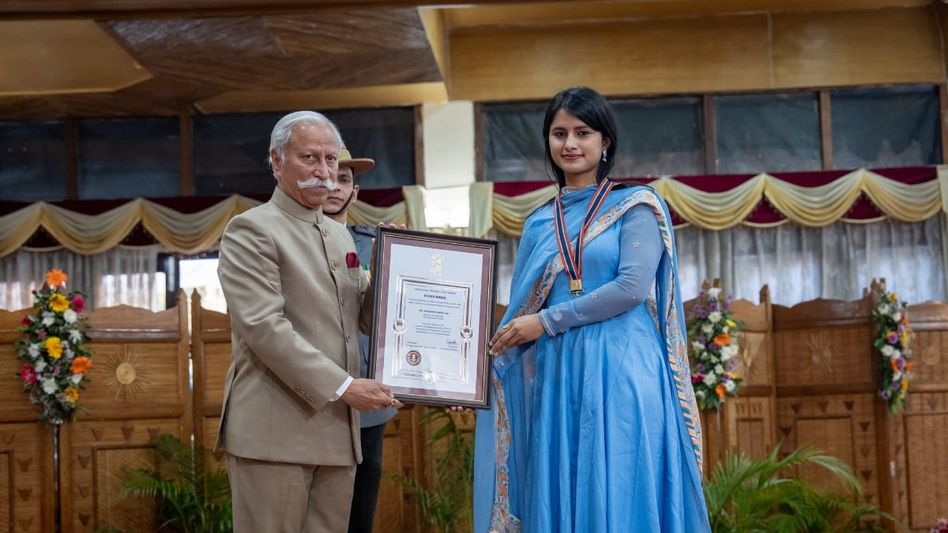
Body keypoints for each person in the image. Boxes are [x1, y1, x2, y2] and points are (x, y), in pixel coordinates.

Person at [472, 87, 710, 533]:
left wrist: (546, 321)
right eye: (559, 133)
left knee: (621, 481)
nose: (570, 143)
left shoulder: (635, 206)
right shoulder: (540, 221)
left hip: (623, 368)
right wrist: (472, 378)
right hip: (560, 373)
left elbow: (631, 288)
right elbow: (517, 317)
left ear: (606, 143)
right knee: (565, 485)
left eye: (583, 132)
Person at [216, 111, 396, 533]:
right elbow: (264, 327)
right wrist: (345, 386)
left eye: (331, 160)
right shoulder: (251, 229)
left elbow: (363, 317)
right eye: (309, 158)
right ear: (276, 161)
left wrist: (395, 271)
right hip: (275, 434)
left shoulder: (339, 235)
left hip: (337, 433)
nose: (324, 171)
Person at [322, 145, 399, 533]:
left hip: (368, 398)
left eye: (345, 180)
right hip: (314, 396)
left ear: (356, 192)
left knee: (360, 512)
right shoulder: (291, 243)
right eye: (330, 177)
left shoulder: (378, 243)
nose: (335, 186)